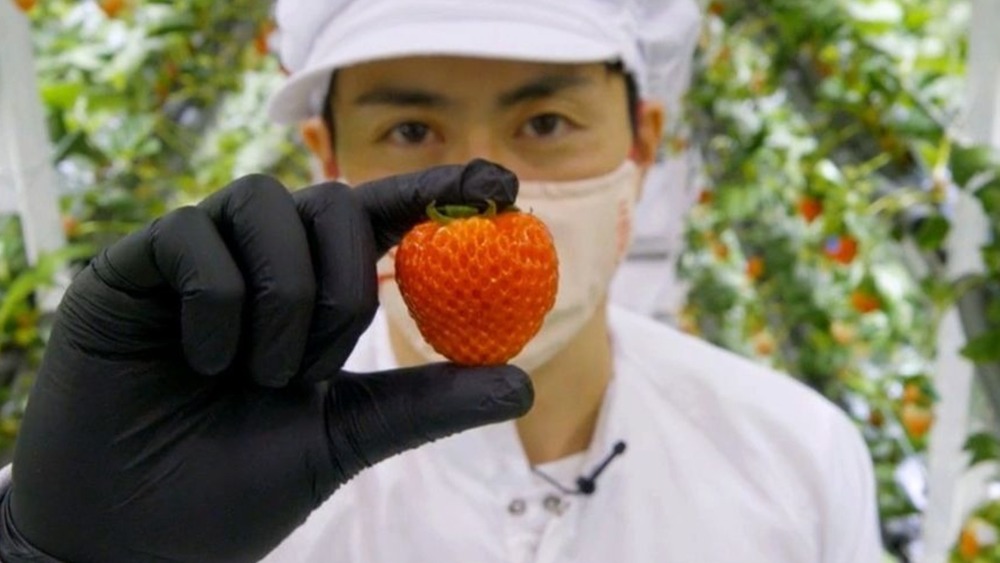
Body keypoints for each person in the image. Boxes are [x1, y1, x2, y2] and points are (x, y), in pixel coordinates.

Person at [0, 1, 884, 562]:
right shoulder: (205, 473)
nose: (482, 177)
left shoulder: (798, 454)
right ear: (327, 158)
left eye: (546, 118)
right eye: (412, 131)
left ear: (642, 144)